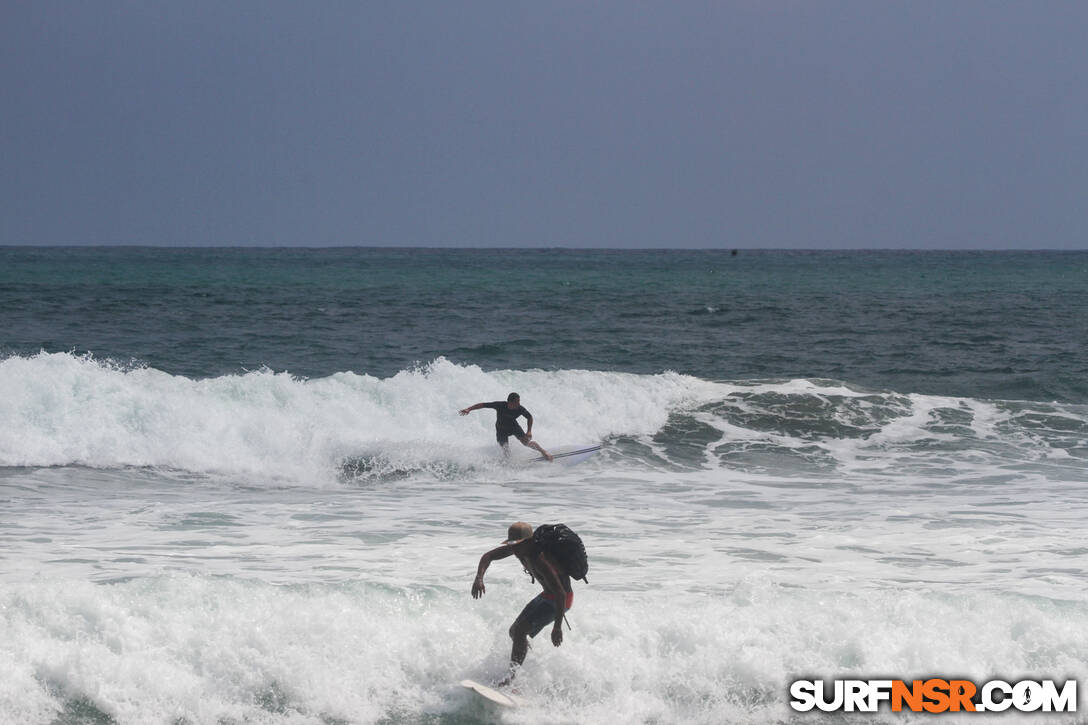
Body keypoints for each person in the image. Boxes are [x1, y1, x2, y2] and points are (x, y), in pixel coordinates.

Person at [471, 521, 573, 684]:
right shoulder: (519, 550)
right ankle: (524, 667)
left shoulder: (540, 560)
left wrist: (557, 627)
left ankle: (511, 679)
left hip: (561, 599)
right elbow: (488, 556)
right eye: (512, 545)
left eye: (518, 545)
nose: (515, 550)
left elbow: (560, 593)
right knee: (514, 632)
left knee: (519, 631)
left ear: (529, 542)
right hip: (547, 595)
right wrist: (479, 578)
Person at [459, 393, 553, 462]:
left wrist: (529, 431)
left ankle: (543, 452)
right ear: (510, 402)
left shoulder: (520, 409)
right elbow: (483, 405)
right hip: (501, 430)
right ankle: (509, 464)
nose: (519, 404)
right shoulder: (500, 405)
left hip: (513, 427)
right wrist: (469, 409)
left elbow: (529, 417)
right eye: (517, 402)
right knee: (505, 450)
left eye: (519, 401)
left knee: (526, 442)